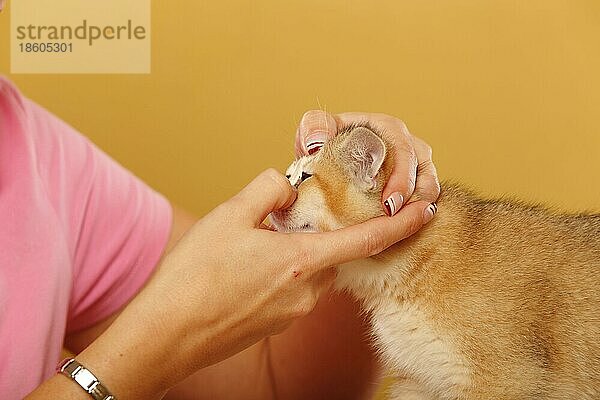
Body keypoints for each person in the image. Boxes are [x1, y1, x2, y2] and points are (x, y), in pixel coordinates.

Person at [0, 76, 440, 399]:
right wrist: (156, 345)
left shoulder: (30, 146)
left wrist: (360, 223)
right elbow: (173, 334)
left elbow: (279, 383)